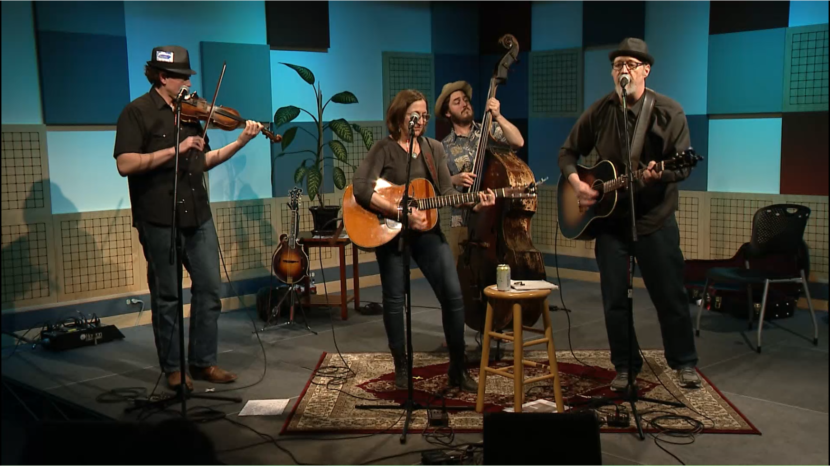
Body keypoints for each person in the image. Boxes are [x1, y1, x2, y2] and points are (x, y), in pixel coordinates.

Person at [113, 46, 263, 390]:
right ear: (163, 77)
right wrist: (175, 150)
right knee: (167, 296)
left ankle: (203, 362)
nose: (188, 84)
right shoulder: (137, 112)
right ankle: (173, 369)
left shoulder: (192, 114)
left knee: (210, 289)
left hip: (198, 214)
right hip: (158, 217)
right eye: (182, 77)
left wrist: (240, 142)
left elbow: (203, 161)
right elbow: (125, 163)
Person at [558, 38, 702, 390]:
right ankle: (625, 365)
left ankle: (684, 362)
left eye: (631, 64)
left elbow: (683, 166)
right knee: (614, 300)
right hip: (610, 224)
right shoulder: (600, 110)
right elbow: (568, 153)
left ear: (645, 70)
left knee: (669, 296)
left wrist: (659, 174)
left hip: (654, 220)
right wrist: (577, 184)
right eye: (618, 64)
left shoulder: (668, 111)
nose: (623, 69)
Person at [352, 89, 496, 392]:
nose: (421, 120)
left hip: (428, 232)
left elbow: (447, 193)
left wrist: (475, 204)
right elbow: (361, 188)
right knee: (394, 300)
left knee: (454, 296)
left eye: (425, 115)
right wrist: (399, 212)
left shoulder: (433, 149)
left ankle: (458, 367)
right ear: (400, 116)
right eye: (415, 115)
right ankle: (401, 365)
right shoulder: (384, 149)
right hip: (391, 234)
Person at [435, 81, 525, 262]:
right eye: (457, 102)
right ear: (447, 112)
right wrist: (453, 179)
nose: (464, 104)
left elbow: (518, 142)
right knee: (461, 273)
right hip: (462, 222)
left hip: (496, 217)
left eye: (466, 100)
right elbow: (438, 184)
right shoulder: (443, 147)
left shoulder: (490, 130)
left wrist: (498, 116)